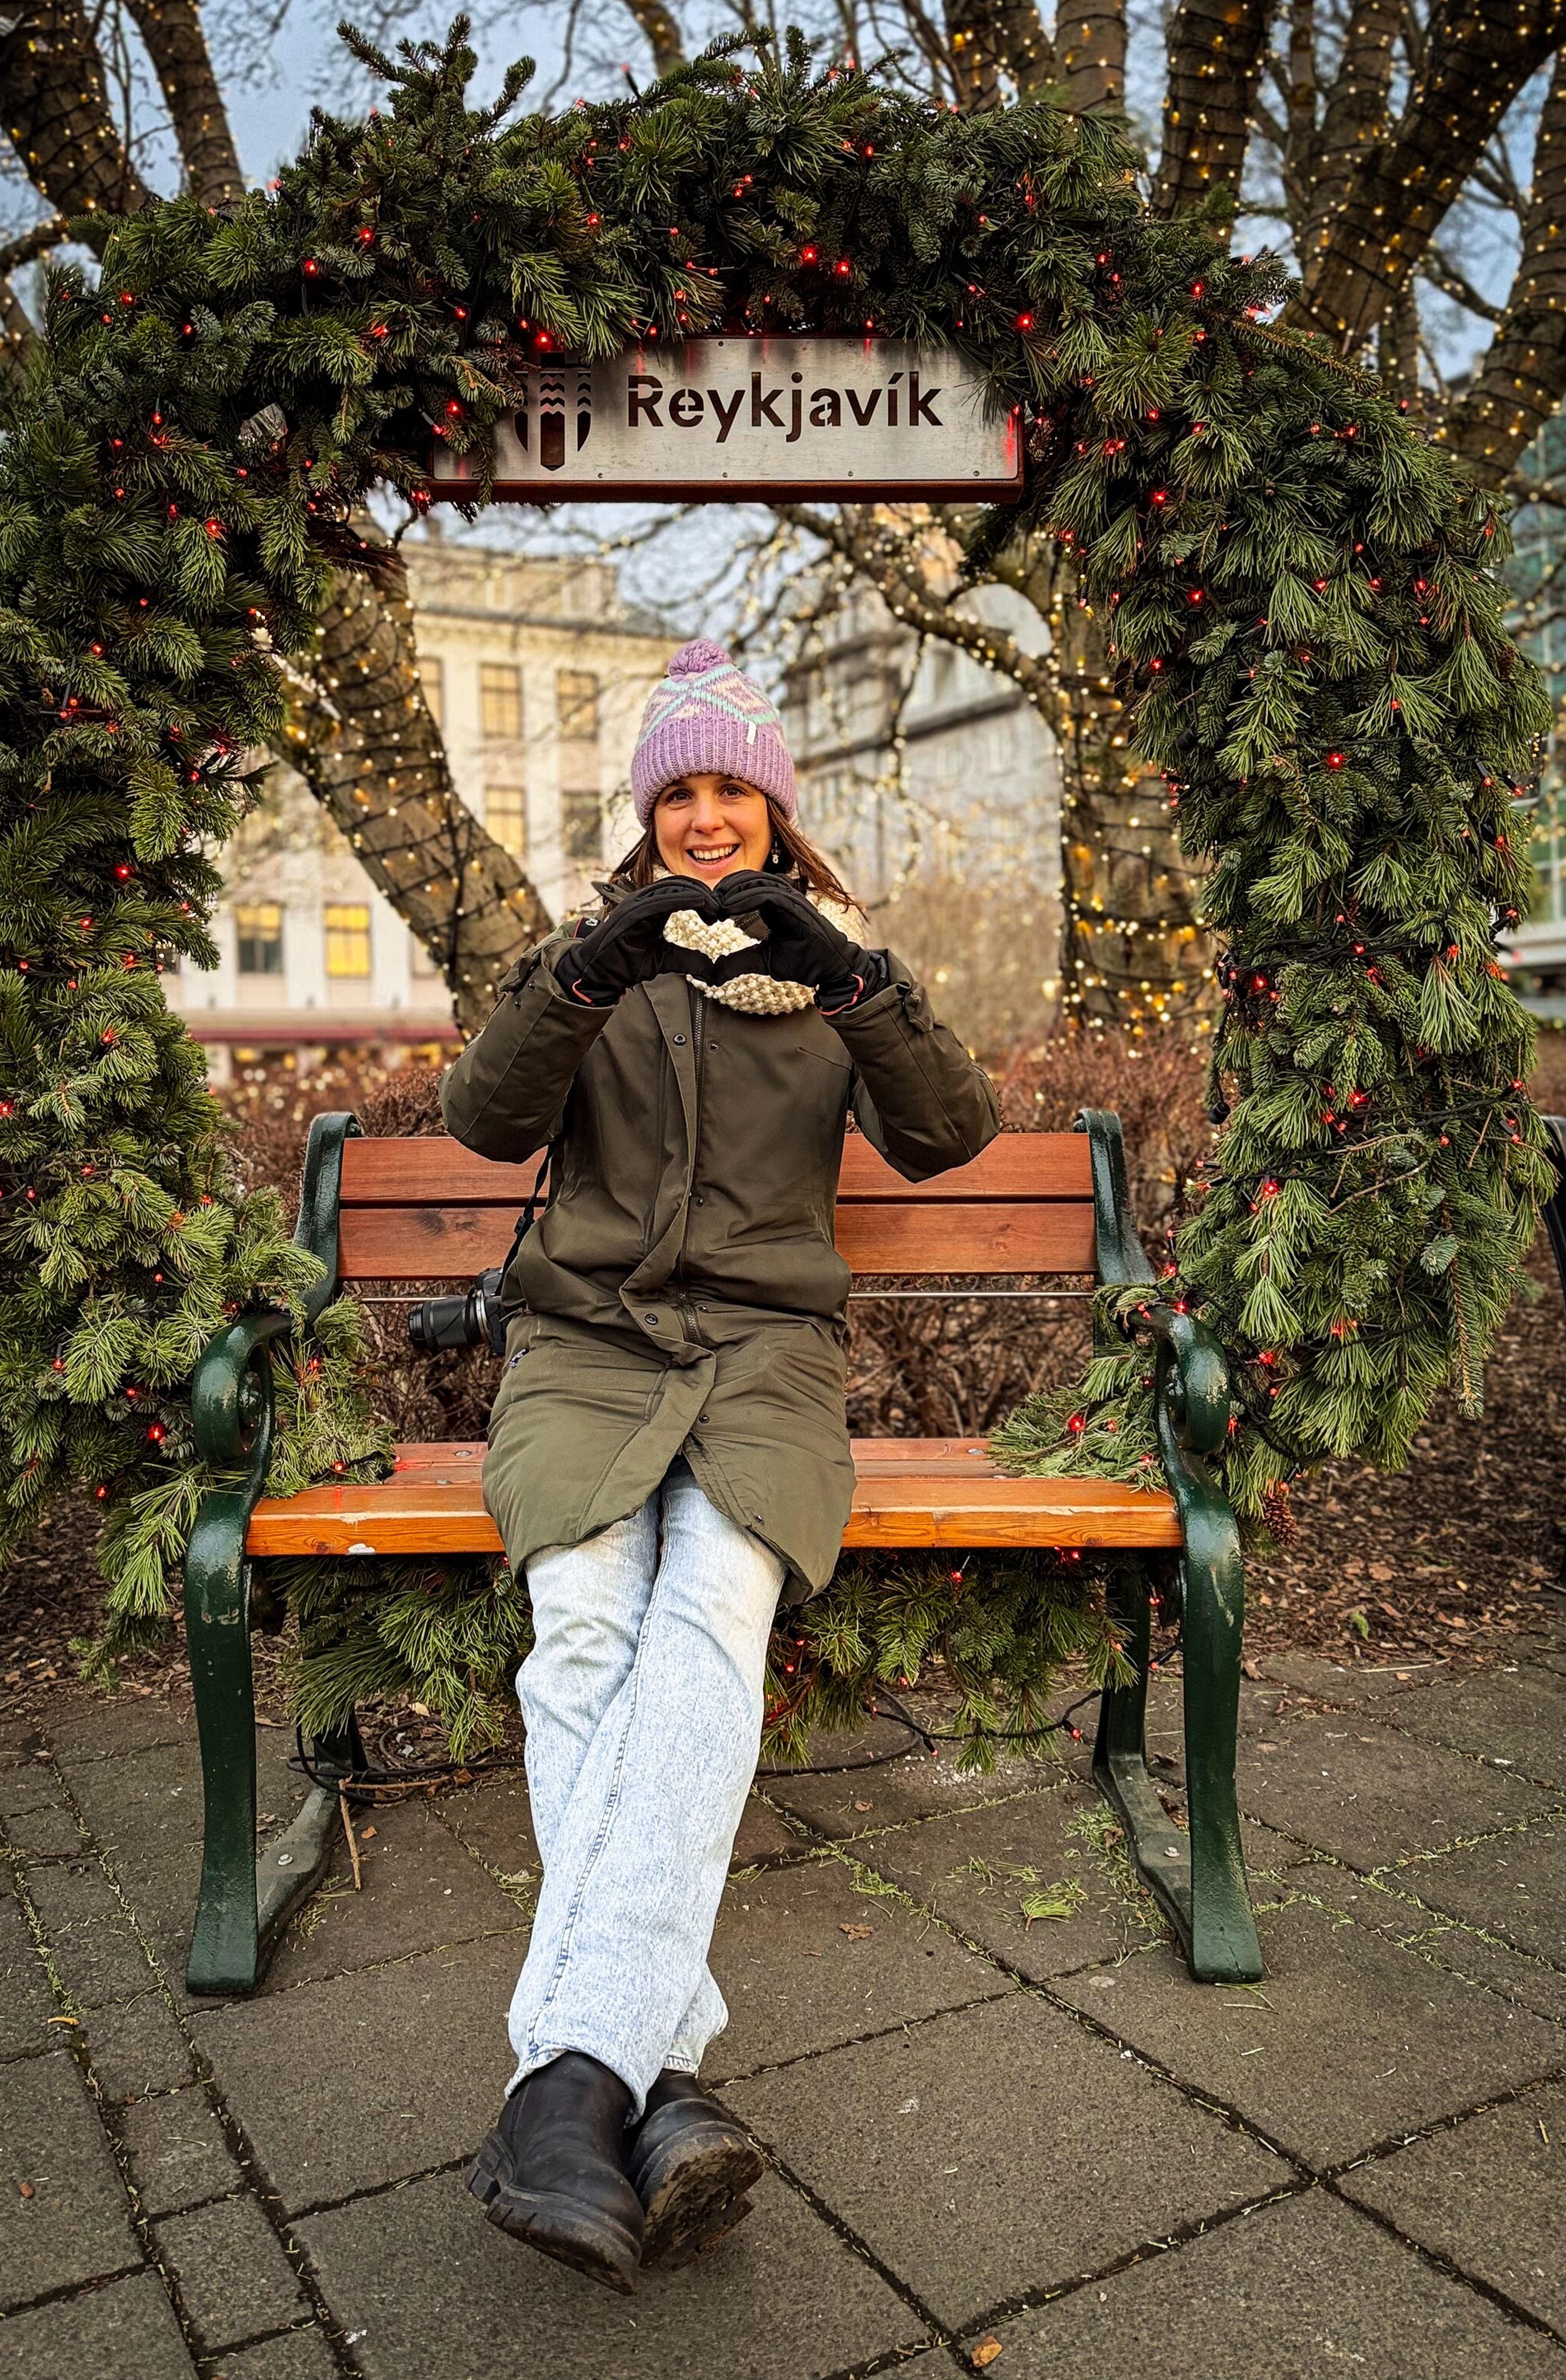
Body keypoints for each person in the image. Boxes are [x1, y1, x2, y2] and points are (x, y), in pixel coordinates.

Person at [440, 637, 997, 2291]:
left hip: (763, 1367)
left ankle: (568, 2084)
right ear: (649, 815)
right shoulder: (586, 961)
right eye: (676, 793)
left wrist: (853, 979)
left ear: (774, 811)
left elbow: (949, 1135)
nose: (702, 821)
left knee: (710, 1624)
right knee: (586, 1642)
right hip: (587, 1358)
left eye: (729, 791)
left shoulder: (835, 976)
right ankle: (657, 2076)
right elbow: (484, 1122)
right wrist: (589, 968)